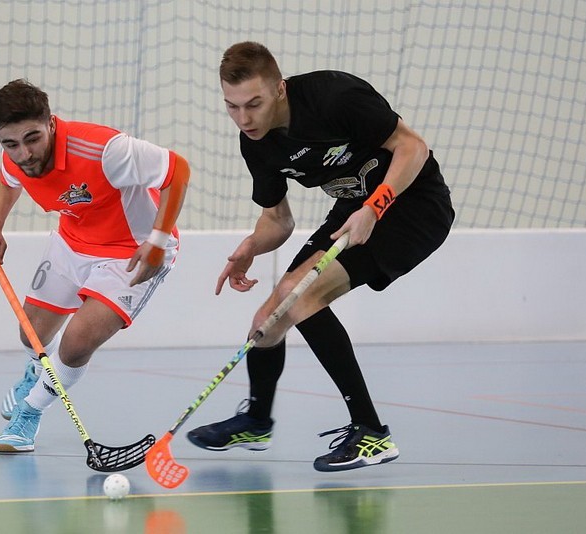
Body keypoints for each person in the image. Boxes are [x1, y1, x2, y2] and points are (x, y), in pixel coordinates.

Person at [186, 42, 454, 471]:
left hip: (414, 208)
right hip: (355, 209)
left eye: (253, 104)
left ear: (279, 89)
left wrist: (375, 208)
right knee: (268, 320)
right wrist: (251, 246)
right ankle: (256, 422)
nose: (244, 119)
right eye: (232, 107)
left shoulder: (334, 96)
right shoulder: (256, 143)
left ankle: (372, 433)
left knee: (300, 294)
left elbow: (414, 148)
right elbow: (278, 220)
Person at [0, 79, 190, 452]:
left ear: (51, 123)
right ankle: (38, 371)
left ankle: (30, 412)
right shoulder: (15, 155)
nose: (24, 153)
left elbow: (178, 170)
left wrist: (156, 240)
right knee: (31, 334)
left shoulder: (105, 150)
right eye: (11, 144)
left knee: (76, 344)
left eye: (33, 139)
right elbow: (9, 180)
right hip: (72, 243)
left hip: (131, 251)